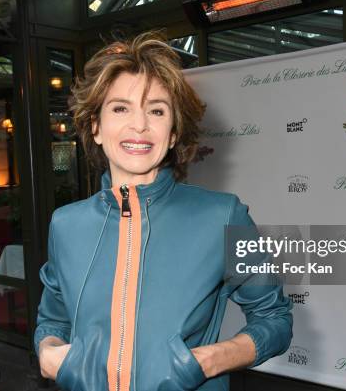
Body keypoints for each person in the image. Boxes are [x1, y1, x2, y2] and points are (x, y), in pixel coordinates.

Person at [34, 32, 293, 391]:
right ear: (95, 126)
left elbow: (274, 320)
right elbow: (53, 319)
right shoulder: (66, 224)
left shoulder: (222, 216)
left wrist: (205, 361)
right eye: (120, 108)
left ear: (172, 133)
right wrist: (49, 354)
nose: (139, 125)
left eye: (156, 110)